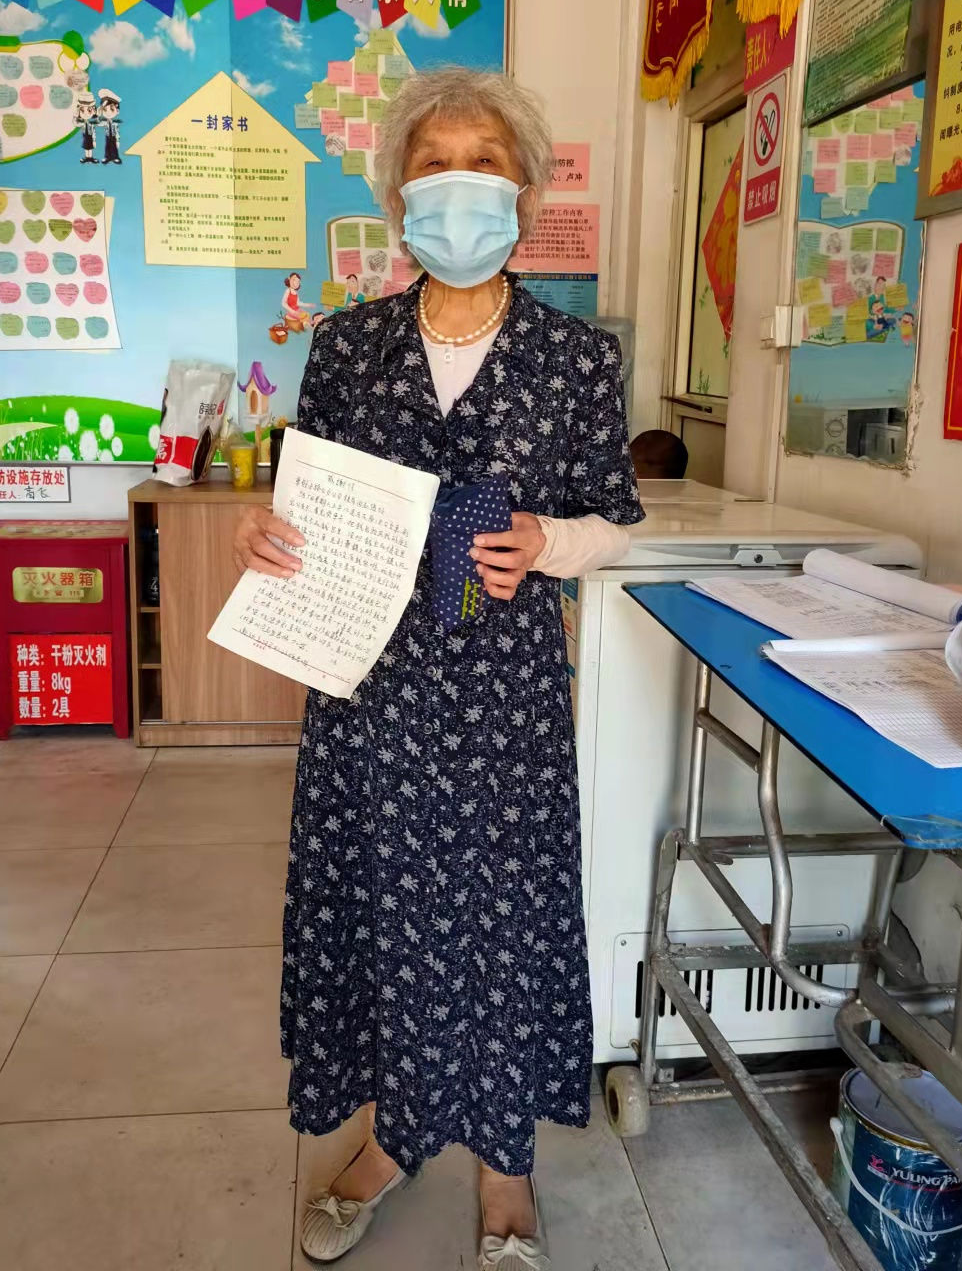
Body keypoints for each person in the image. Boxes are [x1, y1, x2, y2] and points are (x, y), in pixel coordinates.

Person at [233, 67, 644, 1269]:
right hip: (370, 688)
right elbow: (306, 503)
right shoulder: (348, 348)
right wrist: (268, 532)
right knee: (383, 910)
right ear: (399, 195)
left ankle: (505, 1171)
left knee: (501, 924)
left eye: (483, 163)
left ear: (524, 190)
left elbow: (615, 519)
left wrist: (550, 541)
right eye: (432, 164)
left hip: (505, 693)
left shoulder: (576, 358)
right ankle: (388, 1140)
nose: (457, 184)